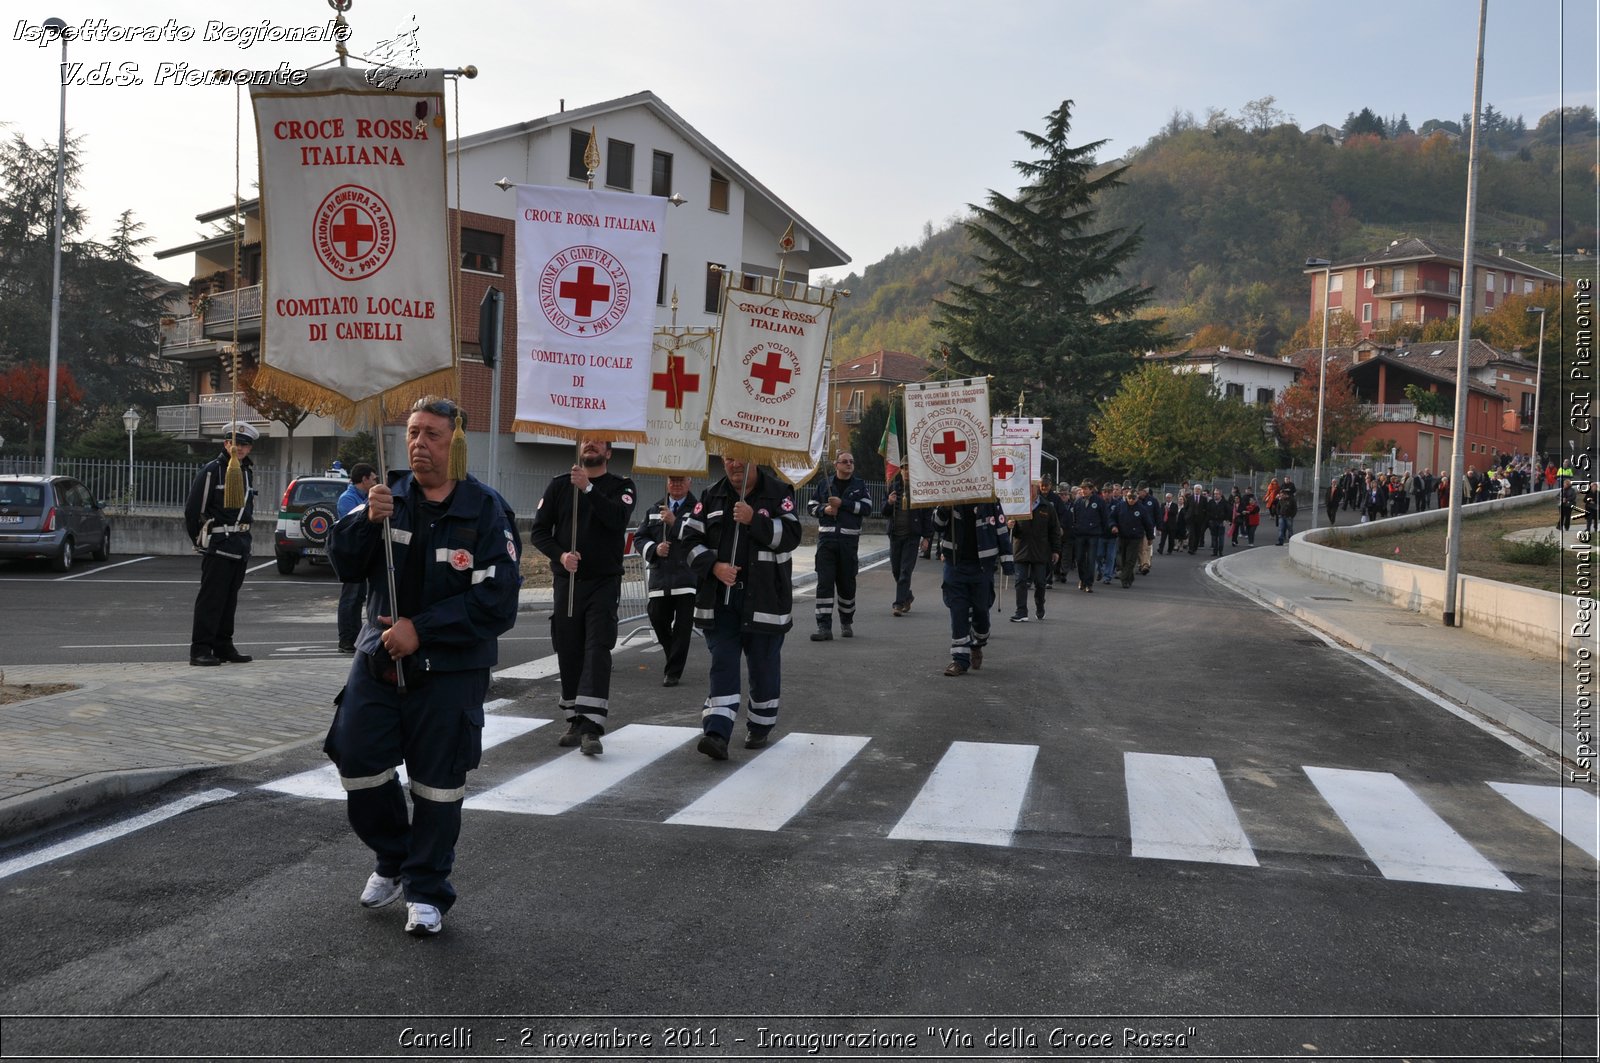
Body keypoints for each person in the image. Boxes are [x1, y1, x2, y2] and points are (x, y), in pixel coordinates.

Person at [324, 396, 521, 937]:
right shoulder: (387, 499)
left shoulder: (485, 510)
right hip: (378, 661)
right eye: (413, 432)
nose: (418, 443)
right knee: (357, 762)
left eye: (432, 434)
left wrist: (423, 629)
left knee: (437, 785)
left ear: (454, 442)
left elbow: (497, 602)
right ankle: (394, 857)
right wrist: (366, 519)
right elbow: (343, 564)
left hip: (448, 672)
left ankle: (428, 890)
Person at [679, 457, 801, 760]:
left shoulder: (778, 492)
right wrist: (714, 566)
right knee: (723, 662)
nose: (735, 464)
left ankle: (760, 726)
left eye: (741, 457)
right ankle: (717, 733)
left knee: (764, 667)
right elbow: (689, 542)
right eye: (729, 458)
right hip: (722, 602)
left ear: (754, 457)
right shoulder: (711, 496)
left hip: (765, 602)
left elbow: (791, 536)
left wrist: (753, 520)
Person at [529, 438, 638, 755]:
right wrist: (561, 555)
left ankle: (592, 727)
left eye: (598, 442)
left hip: (603, 582)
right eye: (585, 440)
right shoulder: (559, 486)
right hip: (568, 582)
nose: (590, 445)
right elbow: (539, 531)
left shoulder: (622, 486)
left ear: (608, 453)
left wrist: (589, 489)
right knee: (569, 648)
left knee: (596, 648)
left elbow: (618, 519)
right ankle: (575, 718)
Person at [184, 420, 259, 666]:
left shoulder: (246, 472)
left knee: (229, 600)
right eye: (235, 443)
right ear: (226, 443)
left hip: (240, 545)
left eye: (245, 445)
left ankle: (223, 645)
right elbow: (194, 510)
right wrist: (203, 541)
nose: (239, 449)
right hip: (219, 544)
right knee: (211, 600)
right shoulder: (212, 471)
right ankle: (200, 649)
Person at [932, 500, 1013, 675]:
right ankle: (959, 660)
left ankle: (978, 643)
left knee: (981, 610)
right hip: (955, 565)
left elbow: (1001, 530)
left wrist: (1007, 561)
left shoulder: (990, 501)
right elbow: (937, 525)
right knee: (958, 610)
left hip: (982, 568)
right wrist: (944, 508)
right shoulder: (950, 498)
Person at [635, 474, 699, 687]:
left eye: (681, 480)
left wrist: (675, 522)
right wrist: (654, 549)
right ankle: (673, 655)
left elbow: (703, 535)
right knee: (657, 617)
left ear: (690, 482)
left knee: (683, 628)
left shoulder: (698, 508)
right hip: (660, 578)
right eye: (672, 480)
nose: (676, 484)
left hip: (686, 577)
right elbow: (639, 538)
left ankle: (673, 672)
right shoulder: (654, 509)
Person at [807, 451, 873, 640]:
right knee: (824, 584)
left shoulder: (859, 486)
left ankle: (846, 622)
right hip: (826, 542)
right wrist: (825, 509)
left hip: (848, 544)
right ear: (836, 464)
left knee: (847, 586)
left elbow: (867, 508)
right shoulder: (824, 484)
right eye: (845, 462)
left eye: (851, 462)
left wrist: (843, 503)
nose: (849, 464)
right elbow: (810, 507)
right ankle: (823, 627)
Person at [336, 463, 379, 654]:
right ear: (364, 479)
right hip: (351, 556)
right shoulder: (348, 499)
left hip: (362, 556)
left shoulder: (363, 497)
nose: (376, 481)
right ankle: (346, 639)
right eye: (374, 478)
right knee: (350, 598)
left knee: (358, 598)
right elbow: (356, 527)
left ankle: (354, 638)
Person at [1007, 480, 1061, 621]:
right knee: (1020, 581)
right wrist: (1010, 525)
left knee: (1040, 583)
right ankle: (1021, 612)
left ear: (1037, 488)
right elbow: (1010, 529)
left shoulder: (1047, 506)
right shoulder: (1018, 505)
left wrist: (1056, 550)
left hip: (1040, 550)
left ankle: (1040, 607)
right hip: (1021, 549)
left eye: (1032, 487)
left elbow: (1054, 530)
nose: (1029, 490)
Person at [884, 470, 933, 616]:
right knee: (896, 571)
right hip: (895, 536)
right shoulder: (892, 487)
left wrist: (927, 537)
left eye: (909, 467)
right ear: (901, 470)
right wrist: (889, 502)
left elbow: (927, 515)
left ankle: (898, 604)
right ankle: (908, 596)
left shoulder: (920, 489)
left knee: (905, 571)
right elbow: (883, 511)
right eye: (904, 467)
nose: (906, 471)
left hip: (912, 537)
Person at [1109, 487, 1152, 588]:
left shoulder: (1141, 509)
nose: (1131, 500)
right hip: (1122, 536)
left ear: (1137, 498)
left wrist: (1150, 537)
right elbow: (1112, 518)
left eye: (1133, 498)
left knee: (1131, 559)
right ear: (1126, 497)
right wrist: (1113, 526)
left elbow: (1148, 524)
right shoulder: (1120, 506)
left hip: (1135, 538)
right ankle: (1129, 577)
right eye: (1129, 498)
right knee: (1123, 559)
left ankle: (1124, 580)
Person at [1070, 480, 1108, 592]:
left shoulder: (1099, 501)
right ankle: (1082, 579)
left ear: (1091, 489)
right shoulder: (1077, 502)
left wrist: (1103, 531)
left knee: (1091, 560)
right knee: (1080, 559)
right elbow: (1074, 518)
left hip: (1093, 534)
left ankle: (1089, 583)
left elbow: (1104, 518)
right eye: (1082, 489)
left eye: (1086, 489)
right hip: (1080, 534)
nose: (1083, 491)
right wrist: (1075, 529)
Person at [1274, 477, 1298, 545]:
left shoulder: (1291, 499)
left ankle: (1291, 541)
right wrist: (1278, 513)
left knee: (1290, 529)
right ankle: (1280, 541)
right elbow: (1278, 507)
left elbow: (1295, 509)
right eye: (1280, 495)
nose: (1281, 497)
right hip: (1281, 516)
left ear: (1285, 495)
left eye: (1282, 495)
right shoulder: (1281, 499)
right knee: (1281, 529)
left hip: (1289, 516)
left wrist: (1292, 515)